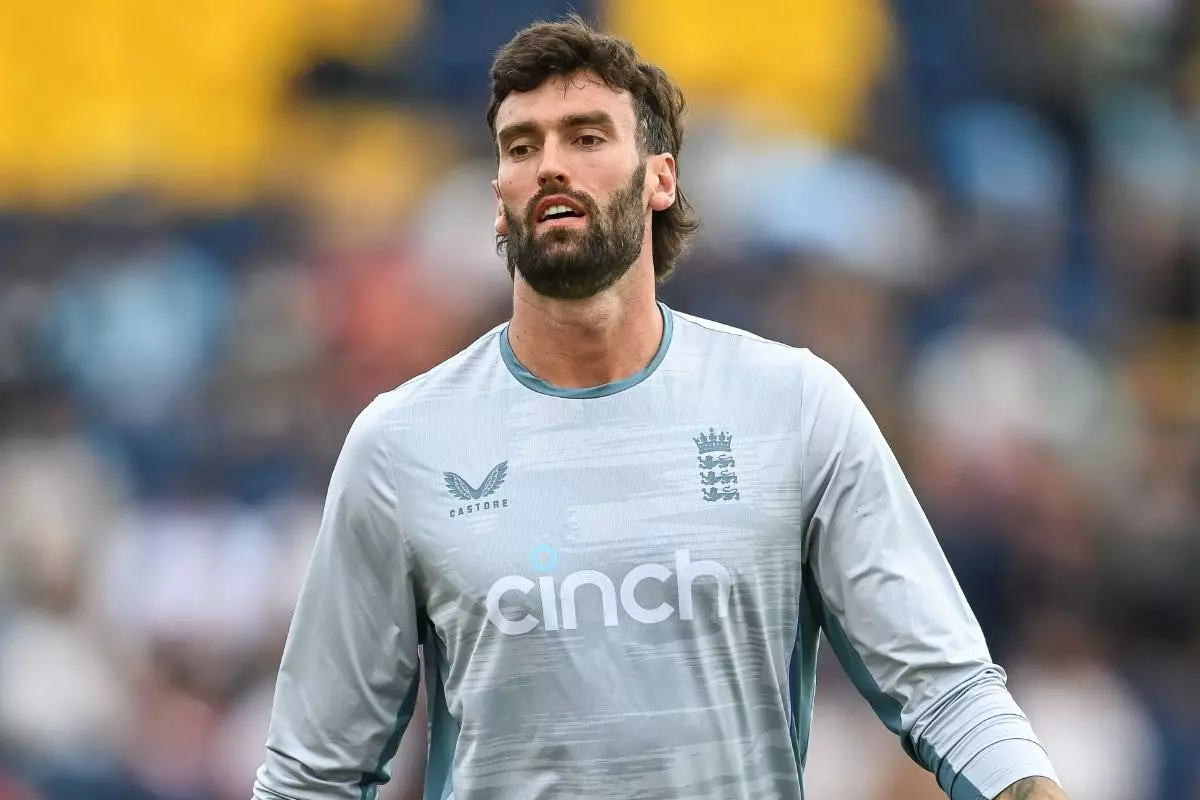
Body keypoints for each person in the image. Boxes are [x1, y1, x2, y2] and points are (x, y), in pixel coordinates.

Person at [252, 16, 1069, 800]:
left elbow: (950, 692)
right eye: (521, 146)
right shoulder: (402, 446)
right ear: (498, 199)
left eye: (587, 137)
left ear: (660, 177)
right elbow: (311, 774)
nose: (550, 166)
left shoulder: (792, 406)